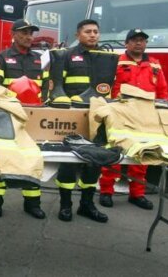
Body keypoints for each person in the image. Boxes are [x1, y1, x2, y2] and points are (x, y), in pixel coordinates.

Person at [49, 19, 114, 223]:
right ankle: (65, 205)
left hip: (98, 116)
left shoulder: (107, 58)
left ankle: (87, 205)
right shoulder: (67, 55)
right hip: (73, 115)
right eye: (88, 31)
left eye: (96, 31)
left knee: (94, 162)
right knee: (69, 162)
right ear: (78, 35)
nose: (93, 35)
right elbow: (57, 86)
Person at [99, 28, 168, 210]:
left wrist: (162, 111)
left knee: (142, 155)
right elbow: (106, 87)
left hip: (146, 116)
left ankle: (137, 194)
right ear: (126, 43)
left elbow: (162, 90)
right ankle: (106, 191)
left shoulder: (154, 64)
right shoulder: (116, 62)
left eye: (142, 40)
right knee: (113, 152)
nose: (139, 43)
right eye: (134, 40)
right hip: (120, 114)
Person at [0, 19, 47, 219]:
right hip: (7, 116)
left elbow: (45, 89)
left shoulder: (39, 59)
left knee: (32, 157)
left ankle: (32, 203)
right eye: (24, 33)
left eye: (31, 33)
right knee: (1, 157)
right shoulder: (2, 58)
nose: (29, 36)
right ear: (14, 34)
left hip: (32, 118)